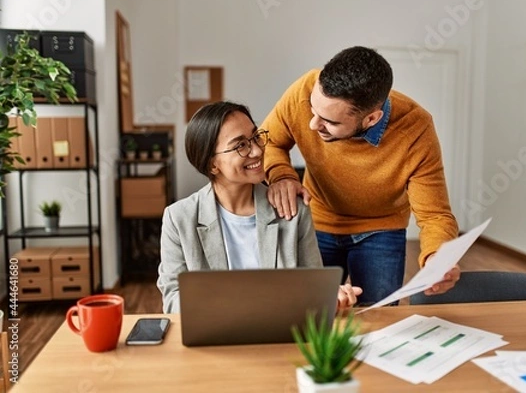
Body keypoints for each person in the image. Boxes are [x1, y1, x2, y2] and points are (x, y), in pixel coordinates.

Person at [262, 46, 460, 305]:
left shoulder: (416, 129)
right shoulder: (304, 89)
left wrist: (437, 258)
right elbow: (268, 141)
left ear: (371, 119)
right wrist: (281, 175)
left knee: (378, 317)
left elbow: (435, 215)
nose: (313, 125)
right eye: (313, 110)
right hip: (319, 219)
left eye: (329, 122)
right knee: (308, 309)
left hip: (381, 230)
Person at [157, 101, 361, 314]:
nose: (257, 151)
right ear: (212, 164)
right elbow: (172, 299)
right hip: (216, 337)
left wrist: (330, 297)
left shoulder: (293, 210)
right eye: (240, 145)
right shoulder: (178, 218)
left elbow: (314, 287)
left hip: (280, 335)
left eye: (255, 137)